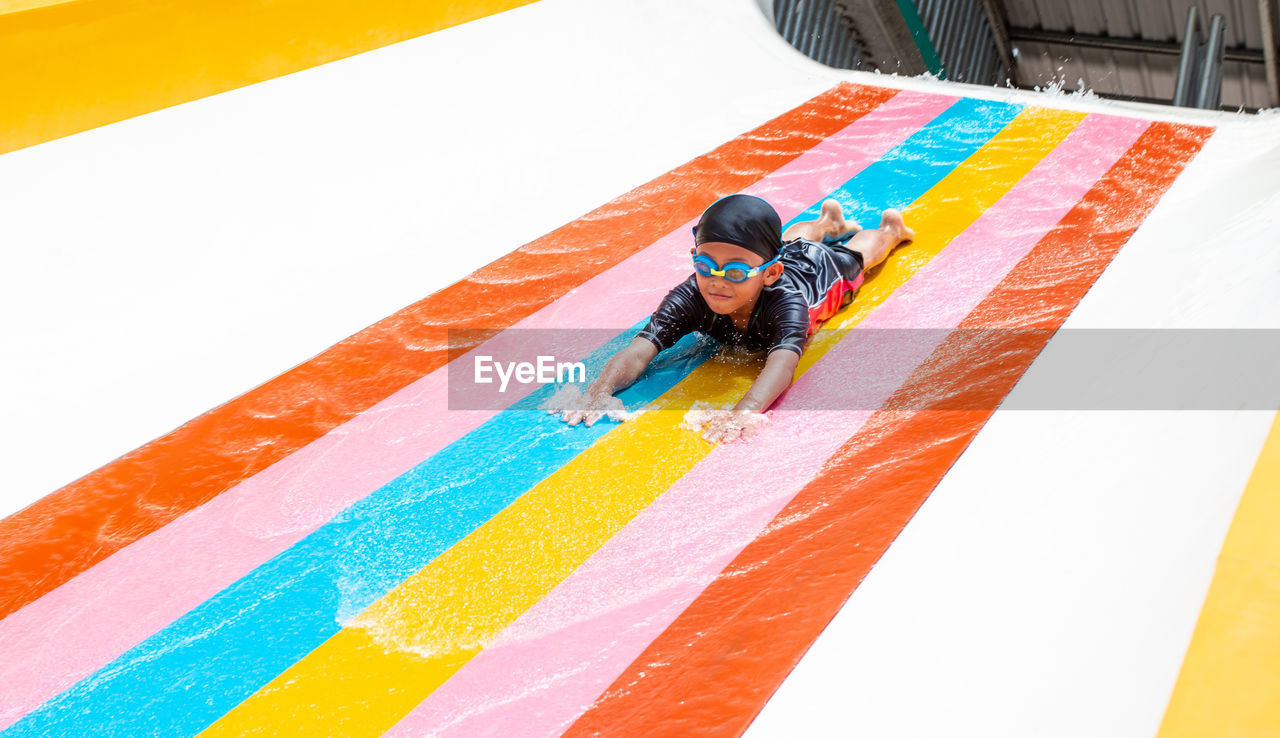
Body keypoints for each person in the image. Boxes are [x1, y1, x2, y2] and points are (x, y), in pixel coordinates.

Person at [551, 193, 913, 442]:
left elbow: (782, 366)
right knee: (786, 240)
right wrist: (600, 390)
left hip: (818, 271)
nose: (717, 282)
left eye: (735, 272)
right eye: (706, 265)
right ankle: (826, 220)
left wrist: (746, 410)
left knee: (856, 255)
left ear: (770, 275)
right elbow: (639, 349)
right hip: (775, 255)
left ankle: (889, 231)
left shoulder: (788, 303)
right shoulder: (692, 293)